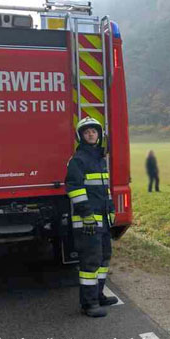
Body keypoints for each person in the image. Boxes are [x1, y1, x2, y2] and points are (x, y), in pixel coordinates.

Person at [65, 117, 119, 317]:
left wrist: (111, 209)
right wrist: (86, 214)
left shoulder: (99, 158)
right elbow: (74, 188)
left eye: (93, 131)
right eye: (86, 132)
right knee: (90, 262)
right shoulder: (78, 159)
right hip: (88, 221)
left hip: (102, 219)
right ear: (81, 136)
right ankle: (89, 304)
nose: (91, 134)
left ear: (99, 135)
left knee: (104, 257)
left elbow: (104, 190)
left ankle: (99, 294)